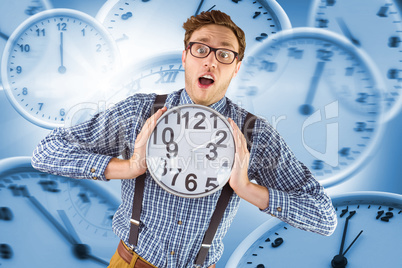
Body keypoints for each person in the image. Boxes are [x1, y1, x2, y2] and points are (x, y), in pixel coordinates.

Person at [32, 10, 337, 268]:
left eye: (225, 53)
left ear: (237, 67)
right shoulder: (139, 111)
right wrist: (128, 167)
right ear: (185, 56)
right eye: (200, 48)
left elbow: (324, 217)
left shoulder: (254, 135)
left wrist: (246, 188)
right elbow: (46, 151)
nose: (211, 61)